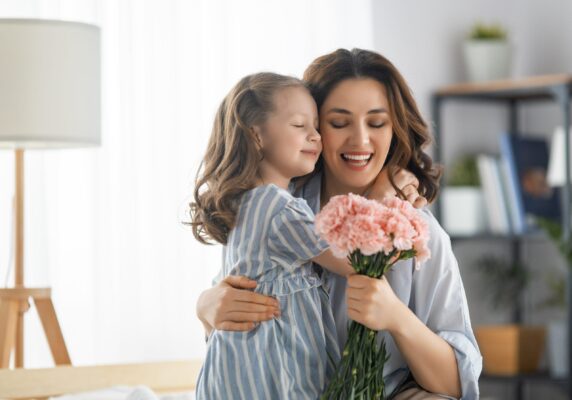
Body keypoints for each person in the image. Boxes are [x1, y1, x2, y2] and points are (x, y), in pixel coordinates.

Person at [196, 49, 482, 400]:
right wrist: (207, 310)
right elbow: (236, 325)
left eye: (376, 123)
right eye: (338, 122)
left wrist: (396, 317)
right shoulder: (274, 208)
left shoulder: (417, 232)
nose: (360, 140)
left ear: (395, 129)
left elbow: (456, 385)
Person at [190, 72, 356, 399]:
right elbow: (350, 261)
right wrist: (393, 220)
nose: (316, 137)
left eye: (317, 127)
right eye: (299, 126)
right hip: (274, 369)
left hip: (232, 366)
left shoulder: (242, 203)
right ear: (256, 136)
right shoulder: (279, 207)